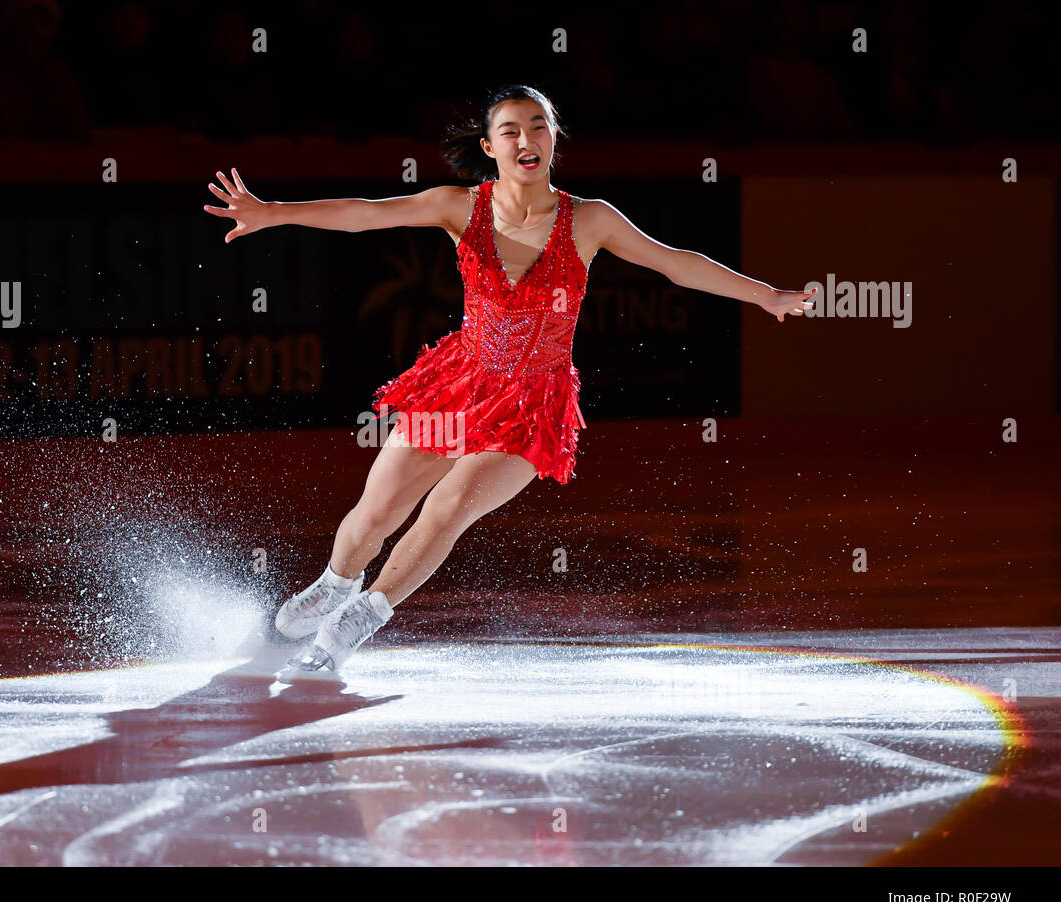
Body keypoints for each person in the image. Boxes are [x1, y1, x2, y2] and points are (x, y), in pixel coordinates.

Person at [203, 84, 814, 683]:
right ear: (491, 147)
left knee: (444, 511)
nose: (528, 139)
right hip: (457, 386)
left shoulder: (589, 220)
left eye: (539, 126)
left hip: (534, 407)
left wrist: (766, 296)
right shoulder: (459, 206)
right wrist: (273, 213)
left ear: (554, 138)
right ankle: (332, 585)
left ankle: (349, 626)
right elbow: (367, 216)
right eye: (511, 130)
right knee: (374, 516)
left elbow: (678, 262)